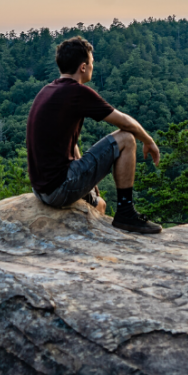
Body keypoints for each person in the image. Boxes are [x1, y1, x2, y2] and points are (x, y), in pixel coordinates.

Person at [25, 35, 163, 234]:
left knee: (100, 204)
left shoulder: (47, 90)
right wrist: (148, 140)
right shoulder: (77, 93)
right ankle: (126, 213)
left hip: (41, 189)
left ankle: (104, 217)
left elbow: (70, 144)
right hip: (58, 189)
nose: (92, 66)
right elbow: (124, 121)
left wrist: (90, 183)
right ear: (83, 67)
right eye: (92, 63)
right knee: (126, 139)